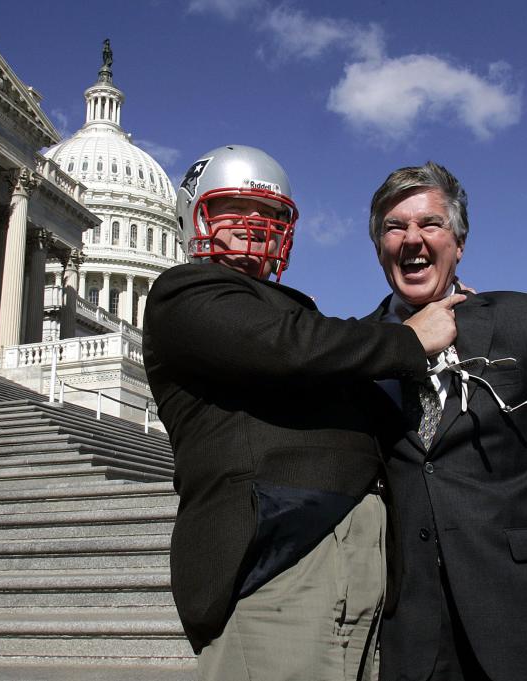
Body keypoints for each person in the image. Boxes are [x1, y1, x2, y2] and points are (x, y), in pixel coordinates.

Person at [142, 145, 463, 680]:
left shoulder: (297, 311)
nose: (254, 225)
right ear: (193, 213)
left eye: (270, 215)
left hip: (355, 565)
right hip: (281, 563)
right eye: (234, 209)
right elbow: (283, 344)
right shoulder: (182, 293)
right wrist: (406, 339)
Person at [364, 162, 527, 681]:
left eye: (430, 224)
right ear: (379, 247)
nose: (411, 239)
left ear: (458, 243)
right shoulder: (359, 347)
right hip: (416, 621)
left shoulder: (520, 321)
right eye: (394, 227)